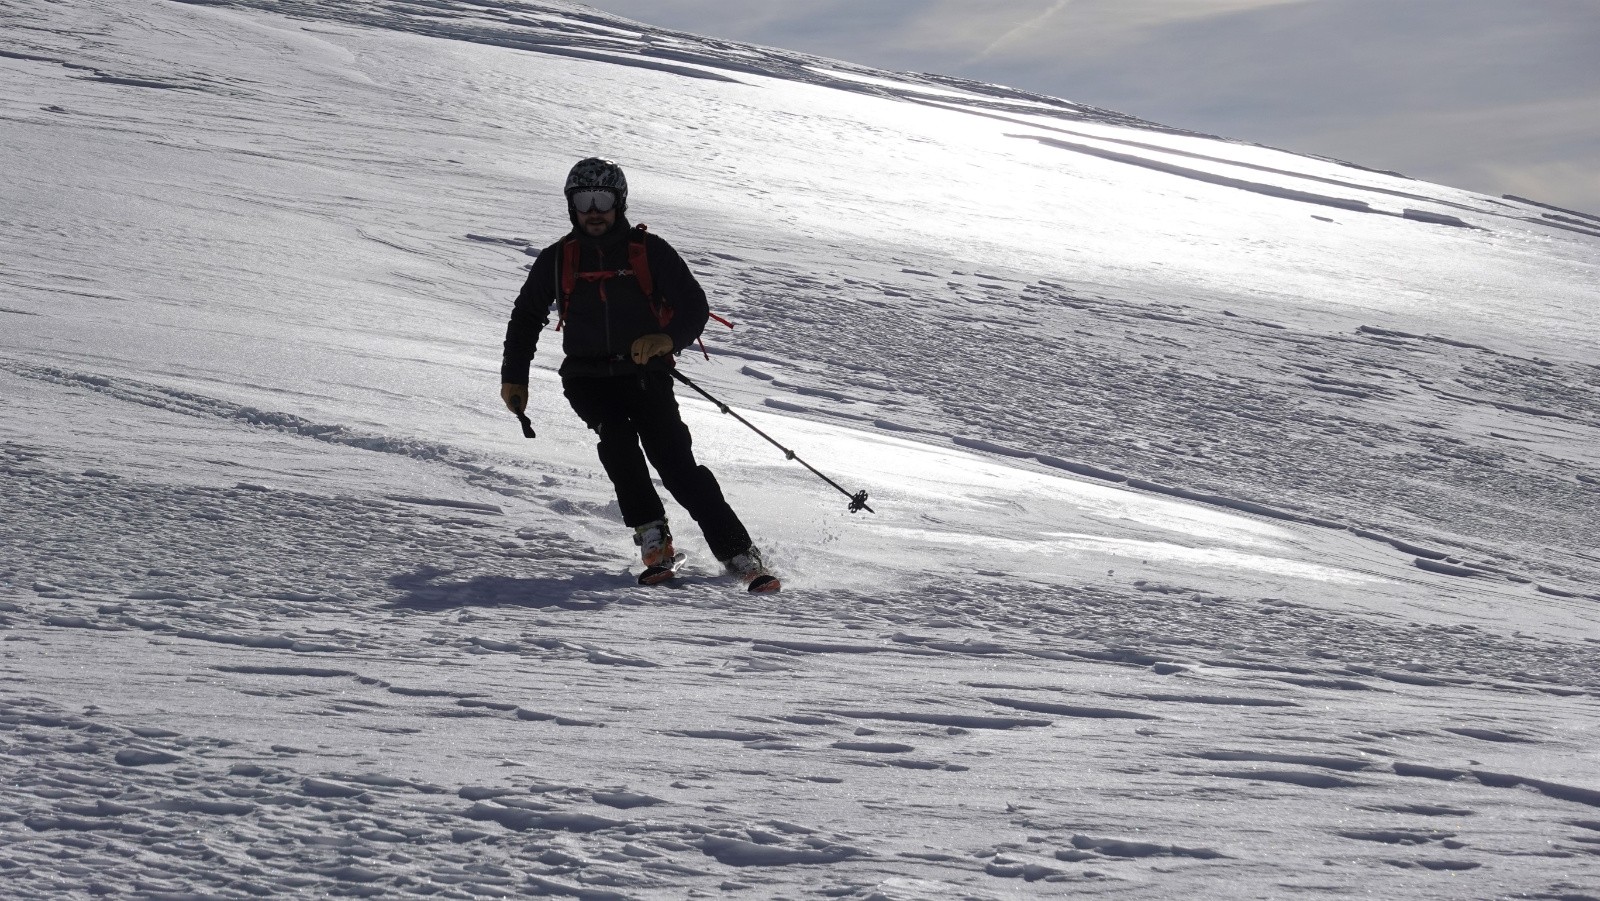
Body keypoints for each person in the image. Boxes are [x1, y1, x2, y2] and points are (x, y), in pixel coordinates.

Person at [500, 157, 778, 592]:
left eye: (602, 200)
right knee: (617, 443)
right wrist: (514, 376)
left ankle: (739, 553)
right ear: (572, 206)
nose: (594, 211)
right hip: (587, 378)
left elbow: (694, 306)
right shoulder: (558, 259)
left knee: (675, 462)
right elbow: (526, 316)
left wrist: (667, 340)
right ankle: (653, 538)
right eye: (584, 201)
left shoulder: (649, 251)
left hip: (646, 374)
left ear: (619, 202)